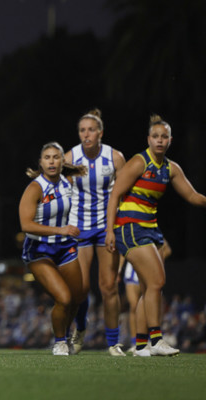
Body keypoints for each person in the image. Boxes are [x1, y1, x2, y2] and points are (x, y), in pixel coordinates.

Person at [106, 114, 206, 357]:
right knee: (157, 282)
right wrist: (110, 230)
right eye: (155, 136)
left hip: (151, 228)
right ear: (148, 139)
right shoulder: (140, 162)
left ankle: (141, 346)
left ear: (170, 140)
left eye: (164, 137)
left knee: (149, 288)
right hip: (130, 226)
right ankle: (157, 339)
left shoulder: (171, 168)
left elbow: (192, 196)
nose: (160, 140)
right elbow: (115, 194)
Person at [64, 109, 127, 356]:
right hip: (79, 227)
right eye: (82, 130)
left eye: (91, 130)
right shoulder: (70, 157)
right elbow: (64, 194)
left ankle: (113, 343)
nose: (86, 134)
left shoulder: (115, 157)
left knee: (108, 286)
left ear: (100, 133)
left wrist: (114, 228)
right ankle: (80, 328)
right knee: (79, 289)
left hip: (105, 227)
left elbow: (121, 196)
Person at [19, 142, 86, 356]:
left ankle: (65, 336)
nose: (51, 161)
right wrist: (61, 230)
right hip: (39, 251)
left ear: (62, 162)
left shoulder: (69, 183)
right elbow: (26, 225)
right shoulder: (35, 188)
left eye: (56, 157)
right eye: (47, 157)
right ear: (41, 162)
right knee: (64, 298)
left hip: (65, 248)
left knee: (77, 298)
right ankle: (59, 342)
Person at [121, 239, 171, 354]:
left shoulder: (152, 229)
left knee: (152, 305)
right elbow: (123, 250)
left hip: (148, 270)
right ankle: (136, 342)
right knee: (133, 306)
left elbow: (167, 250)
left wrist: (154, 261)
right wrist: (119, 269)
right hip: (132, 272)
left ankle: (151, 339)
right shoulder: (132, 229)